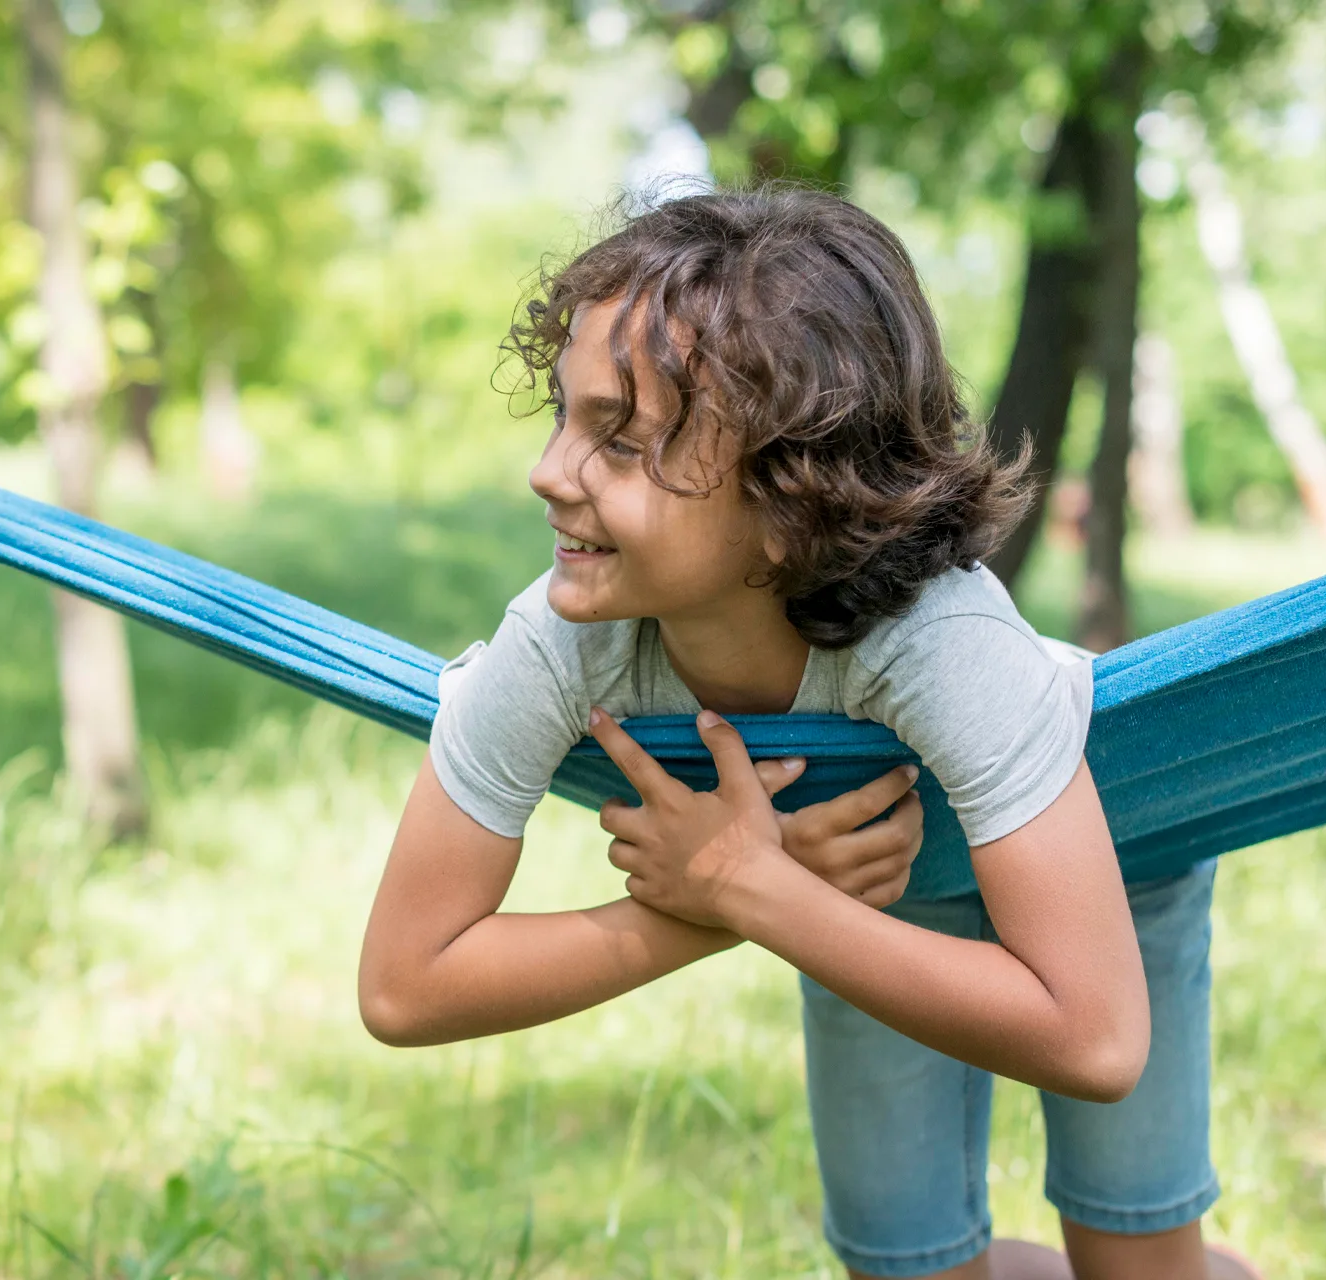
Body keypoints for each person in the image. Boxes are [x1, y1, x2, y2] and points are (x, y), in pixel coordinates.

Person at [358, 186, 1257, 1280]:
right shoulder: (560, 640)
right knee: (907, 1265)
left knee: (1137, 1264)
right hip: (862, 887)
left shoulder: (942, 639)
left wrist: (764, 888)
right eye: (563, 415)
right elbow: (405, 984)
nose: (550, 472)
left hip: (1111, 854)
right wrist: (730, 897)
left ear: (792, 491)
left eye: (622, 441)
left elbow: (1098, 1038)